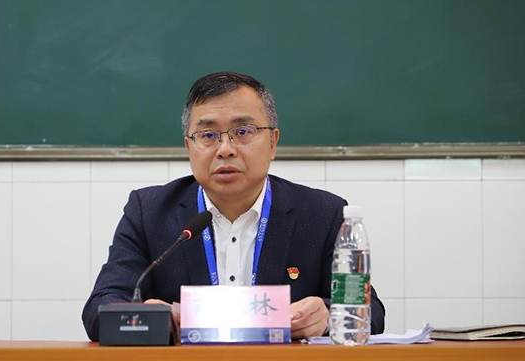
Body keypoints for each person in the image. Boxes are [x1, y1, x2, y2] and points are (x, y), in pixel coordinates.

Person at [82, 72, 385, 341]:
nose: (225, 149)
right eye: (208, 135)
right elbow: (99, 309)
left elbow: (372, 311)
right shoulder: (149, 211)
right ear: (189, 147)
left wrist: (328, 315)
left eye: (242, 132)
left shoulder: (322, 213)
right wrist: (148, 317)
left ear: (273, 142)